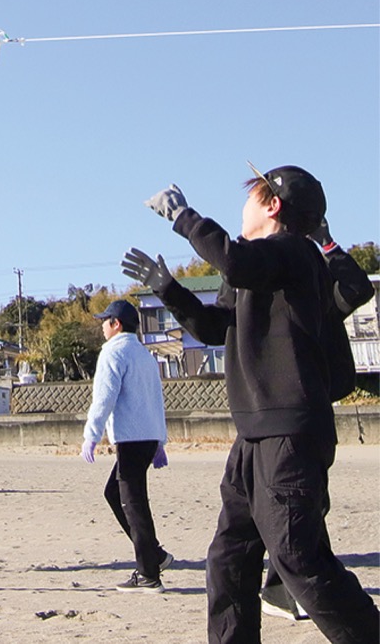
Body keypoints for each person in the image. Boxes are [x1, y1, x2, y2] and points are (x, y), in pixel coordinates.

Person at [123, 166, 379, 642]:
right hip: (254, 436)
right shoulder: (252, 267)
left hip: (290, 432)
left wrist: (183, 216)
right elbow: (216, 328)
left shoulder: (294, 254)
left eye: (251, 195)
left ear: (272, 205)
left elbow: (236, 261)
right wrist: (170, 291)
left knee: (297, 556)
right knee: (228, 559)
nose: (242, 204)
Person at [258, 218, 375, 621]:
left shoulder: (320, 292)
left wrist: (326, 242)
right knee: (295, 501)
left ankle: (281, 588)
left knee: (301, 499)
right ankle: (281, 588)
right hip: (286, 405)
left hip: (314, 399)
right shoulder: (273, 283)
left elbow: (359, 288)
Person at [80, 299, 173, 593]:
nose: (102, 326)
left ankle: (149, 574)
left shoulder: (113, 352)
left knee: (134, 504)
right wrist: (159, 441)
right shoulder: (144, 354)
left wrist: (91, 435)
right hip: (146, 438)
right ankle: (154, 554)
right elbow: (156, 400)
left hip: (131, 439)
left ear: (116, 324)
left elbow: (104, 398)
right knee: (114, 493)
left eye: (105, 320)